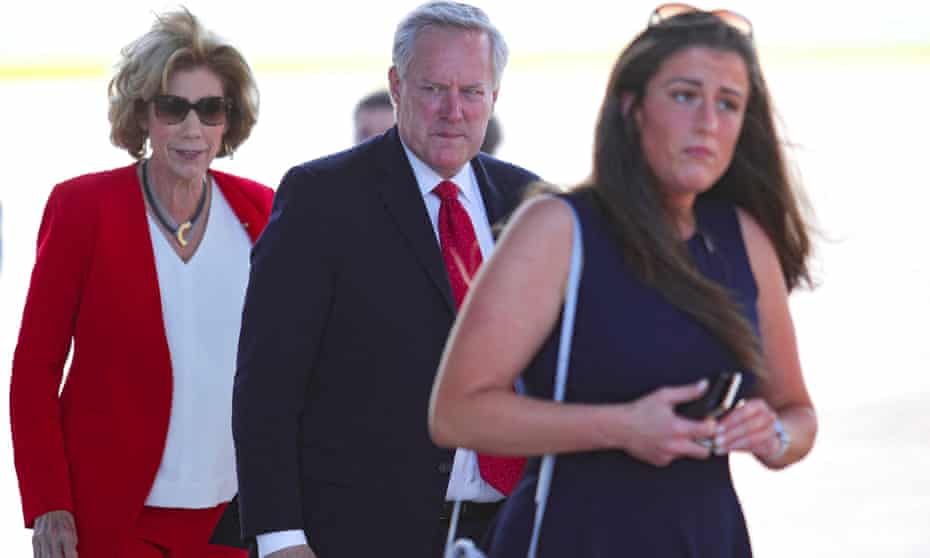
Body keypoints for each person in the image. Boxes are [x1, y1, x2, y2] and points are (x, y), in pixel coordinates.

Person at [429, 5, 817, 557]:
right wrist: (622, 427)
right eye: (684, 96)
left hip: (708, 540)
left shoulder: (744, 239)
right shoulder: (558, 229)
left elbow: (797, 414)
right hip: (573, 537)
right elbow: (455, 413)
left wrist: (771, 435)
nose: (707, 121)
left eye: (728, 104)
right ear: (632, 107)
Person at [223, 3, 538, 558]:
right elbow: (266, 386)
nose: (453, 110)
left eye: (472, 91)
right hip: (358, 534)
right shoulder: (320, 198)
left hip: (511, 530)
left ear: (496, 97)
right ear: (396, 85)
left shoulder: (531, 204)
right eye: (433, 88)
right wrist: (279, 538)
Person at [10, 9, 272, 557]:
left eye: (210, 109)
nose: (192, 128)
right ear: (142, 114)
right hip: (112, 515)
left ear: (229, 120)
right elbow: (35, 369)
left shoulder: (261, 210)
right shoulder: (83, 208)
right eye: (172, 107)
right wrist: (48, 503)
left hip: (232, 517)